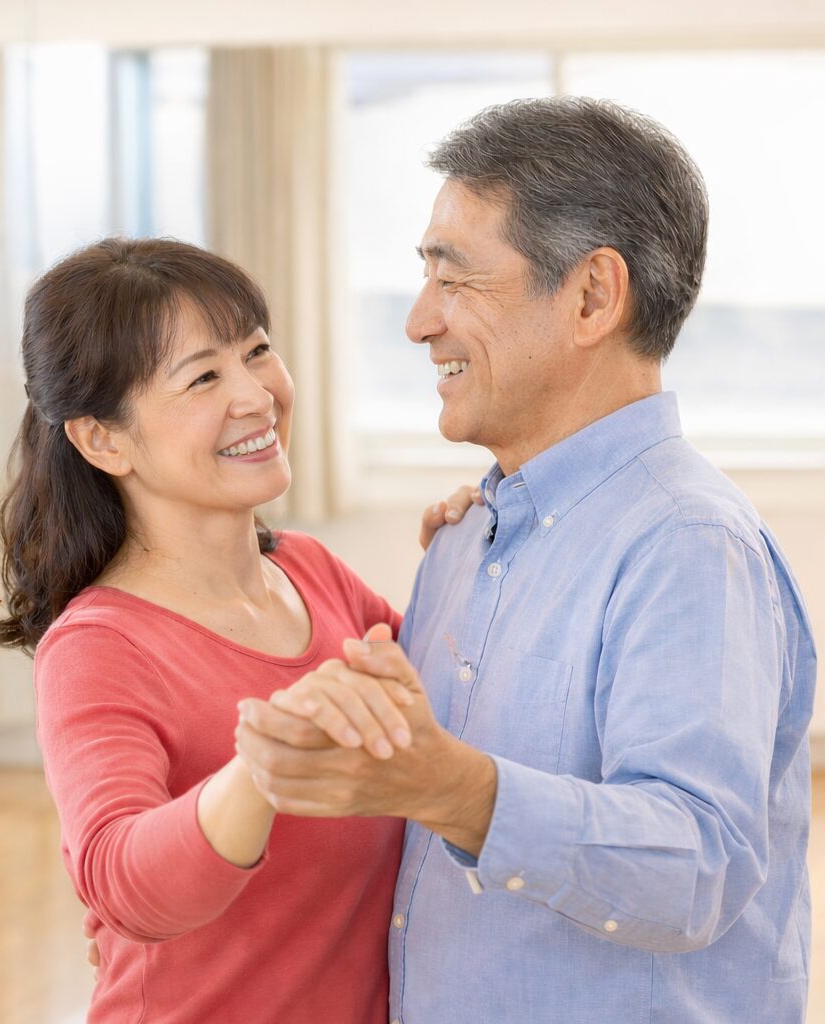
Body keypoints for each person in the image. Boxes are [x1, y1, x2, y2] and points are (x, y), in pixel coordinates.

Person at [235, 97, 817, 1023]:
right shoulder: (465, 538)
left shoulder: (687, 544)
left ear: (591, 298)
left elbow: (697, 865)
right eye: (423, 276)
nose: (418, 321)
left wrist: (453, 789)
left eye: (454, 278)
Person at [0, 237, 477, 1022]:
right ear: (103, 439)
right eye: (203, 377)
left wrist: (465, 572)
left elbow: (460, 710)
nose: (255, 395)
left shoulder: (313, 574)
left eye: (256, 351)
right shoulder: (98, 648)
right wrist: (266, 767)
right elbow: (119, 880)